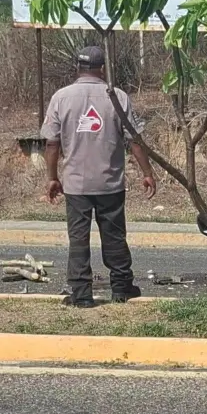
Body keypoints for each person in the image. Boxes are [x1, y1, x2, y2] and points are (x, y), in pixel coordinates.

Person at [41, 46, 156, 308]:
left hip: (76, 185)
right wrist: (147, 173)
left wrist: (52, 177)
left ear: (77, 68)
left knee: (78, 239)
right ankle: (122, 288)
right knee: (114, 236)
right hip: (110, 183)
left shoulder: (61, 97)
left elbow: (51, 144)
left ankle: (82, 295)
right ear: (102, 68)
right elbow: (134, 140)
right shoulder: (117, 97)